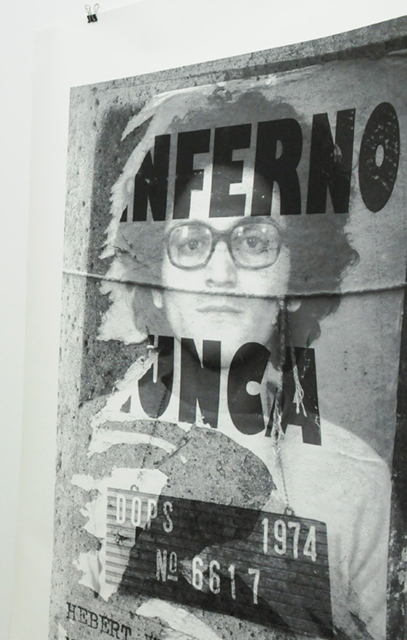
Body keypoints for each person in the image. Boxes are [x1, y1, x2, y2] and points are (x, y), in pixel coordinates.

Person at [70, 84, 391, 640]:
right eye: (191, 243)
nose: (220, 274)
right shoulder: (84, 436)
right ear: (158, 284)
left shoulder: (356, 479)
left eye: (254, 241)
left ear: (297, 278)